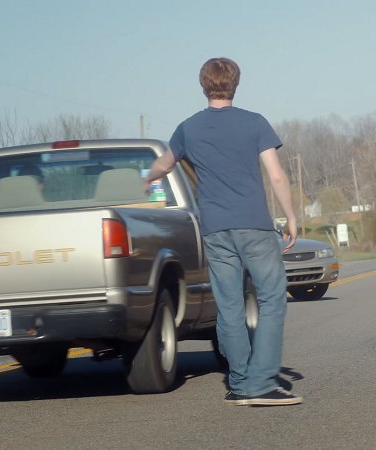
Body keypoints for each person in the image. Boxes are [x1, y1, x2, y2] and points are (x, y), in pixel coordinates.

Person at [144, 57, 301, 406]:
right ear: (235, 83)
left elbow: (165, 163)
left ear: (204, 85)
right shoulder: (254, 123)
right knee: (272, 297)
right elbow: (275, 175)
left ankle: (242, 382)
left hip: (215, 229)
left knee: (229, 306)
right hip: (254, 226)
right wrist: (290, 216)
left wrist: (147, 177)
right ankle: (261, 382)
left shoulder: (188, 128)